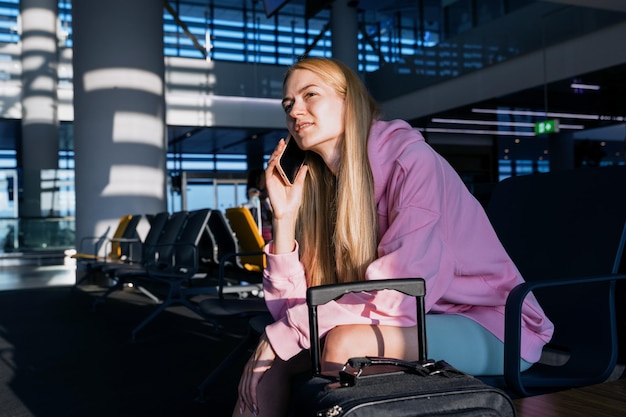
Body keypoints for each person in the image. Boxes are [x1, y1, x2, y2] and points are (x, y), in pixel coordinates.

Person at [234, 57, 554, 417]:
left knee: (344, 344)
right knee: (269, 366)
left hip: (494, 322)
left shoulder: (411, 161)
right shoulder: (321, 187)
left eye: (310, 94)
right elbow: (292, 311)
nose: (295, 111)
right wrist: (285, 217)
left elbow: (403, 294)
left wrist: (289, 332)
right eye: (288, 103)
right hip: (414, 317)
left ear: (349, 102)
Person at [243, 168, 273, 242]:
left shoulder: (265, 199)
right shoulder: (254, 192)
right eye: (264, 178)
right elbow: (256, 196)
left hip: (268, 232)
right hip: (262, 233)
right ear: (257, 180)